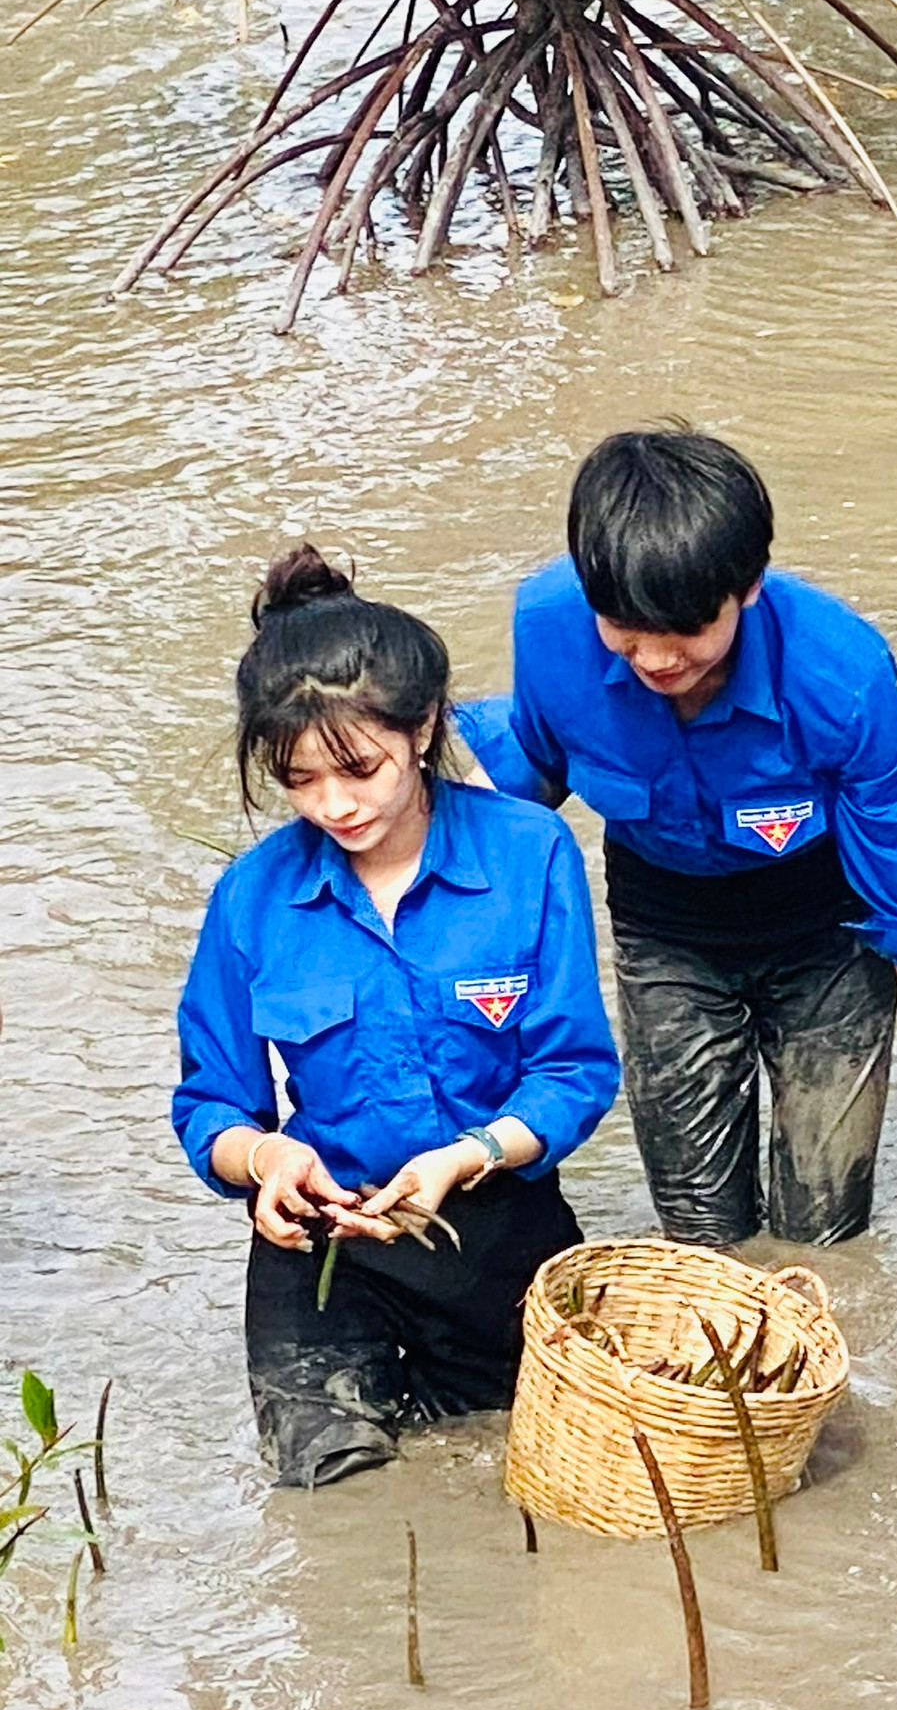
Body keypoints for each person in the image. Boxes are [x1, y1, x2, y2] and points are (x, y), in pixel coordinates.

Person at [457, 428, 897, 1260]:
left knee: (823, 1232)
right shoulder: (549, 624)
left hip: (830, 939)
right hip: (666, 928)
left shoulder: (841, 679)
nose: (657, 658)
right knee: (701, 1232)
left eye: (689, 630)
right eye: (624, 628)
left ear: (750, 588)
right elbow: (534, 770)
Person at [173, 546, 619, 1489]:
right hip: (324, 1248)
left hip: (492, 1227)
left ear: (423, 727)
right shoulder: (250, 898)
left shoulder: (530, 854)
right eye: (300, 781)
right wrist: (266, 1160)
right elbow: (213, 1101)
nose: (335, 805)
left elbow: (575, 1071)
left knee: (520, 1488)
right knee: (338, 1504)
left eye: (359, 769)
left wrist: (470, 1155)